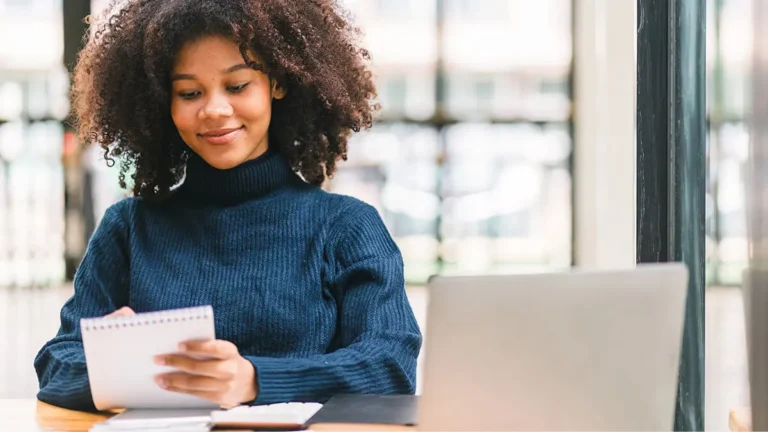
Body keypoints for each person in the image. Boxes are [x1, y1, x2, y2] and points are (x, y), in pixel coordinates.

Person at [34, 0, 422, 412]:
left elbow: (390, 364)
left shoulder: (346, 226)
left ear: (278, 83)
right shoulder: (128, 228)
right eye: (189, 92)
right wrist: (109, 367)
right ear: (162, 102)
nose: (215, 110)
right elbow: (56, 364)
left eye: (237, 86)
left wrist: (254, 380)